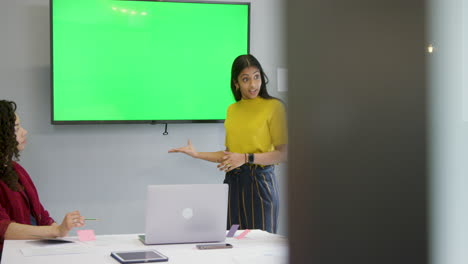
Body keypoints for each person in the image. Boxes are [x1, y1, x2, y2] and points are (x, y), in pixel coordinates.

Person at [169, 54, 287, 233]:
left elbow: (283, 154)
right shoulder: (232, 110)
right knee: (232, 239)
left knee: (260, 245)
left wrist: (246, 157)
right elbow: (230, 155)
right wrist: (197, 154)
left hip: (260, 183)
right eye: (245, 79)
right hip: (233, 182)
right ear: (236, 83)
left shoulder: (274, 107)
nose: (253, 84)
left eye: (257, 76)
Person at [0, 100, 85, 257]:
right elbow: (4, 229)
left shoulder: (16, 170)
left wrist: (60, 232)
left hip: (28, 251)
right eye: (17, 128)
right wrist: (56, 230)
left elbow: (40, 214)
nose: (24, 132)